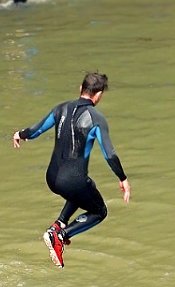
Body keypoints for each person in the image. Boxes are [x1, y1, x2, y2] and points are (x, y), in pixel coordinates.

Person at [12, 72, 130, 269]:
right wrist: (122, 178)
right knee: (99, 210)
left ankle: (60, 223)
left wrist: (20, 134)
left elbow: (36, 130)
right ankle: (60, 235)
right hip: (72, 181)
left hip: (52, 178)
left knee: (86, 187)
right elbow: (110, 155)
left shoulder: (61, 109)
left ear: (80, 89)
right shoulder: (96, 119)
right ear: (98, 94)